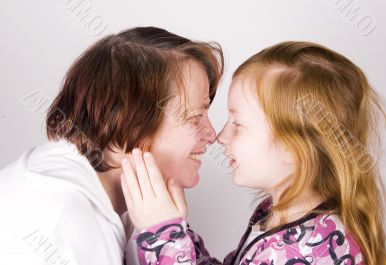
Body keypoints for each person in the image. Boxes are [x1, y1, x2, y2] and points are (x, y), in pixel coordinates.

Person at [120, 41, 386, 265]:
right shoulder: (283, 217)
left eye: (238, 124)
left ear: (293, 148)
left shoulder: (307, 252)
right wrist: (176, 231)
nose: (220, 136)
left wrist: (162, 237)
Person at [0, 26, 223, 265]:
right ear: (128, 125)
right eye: (194, 118)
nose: (212, 135)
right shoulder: (56, 224)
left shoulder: (126, 205)